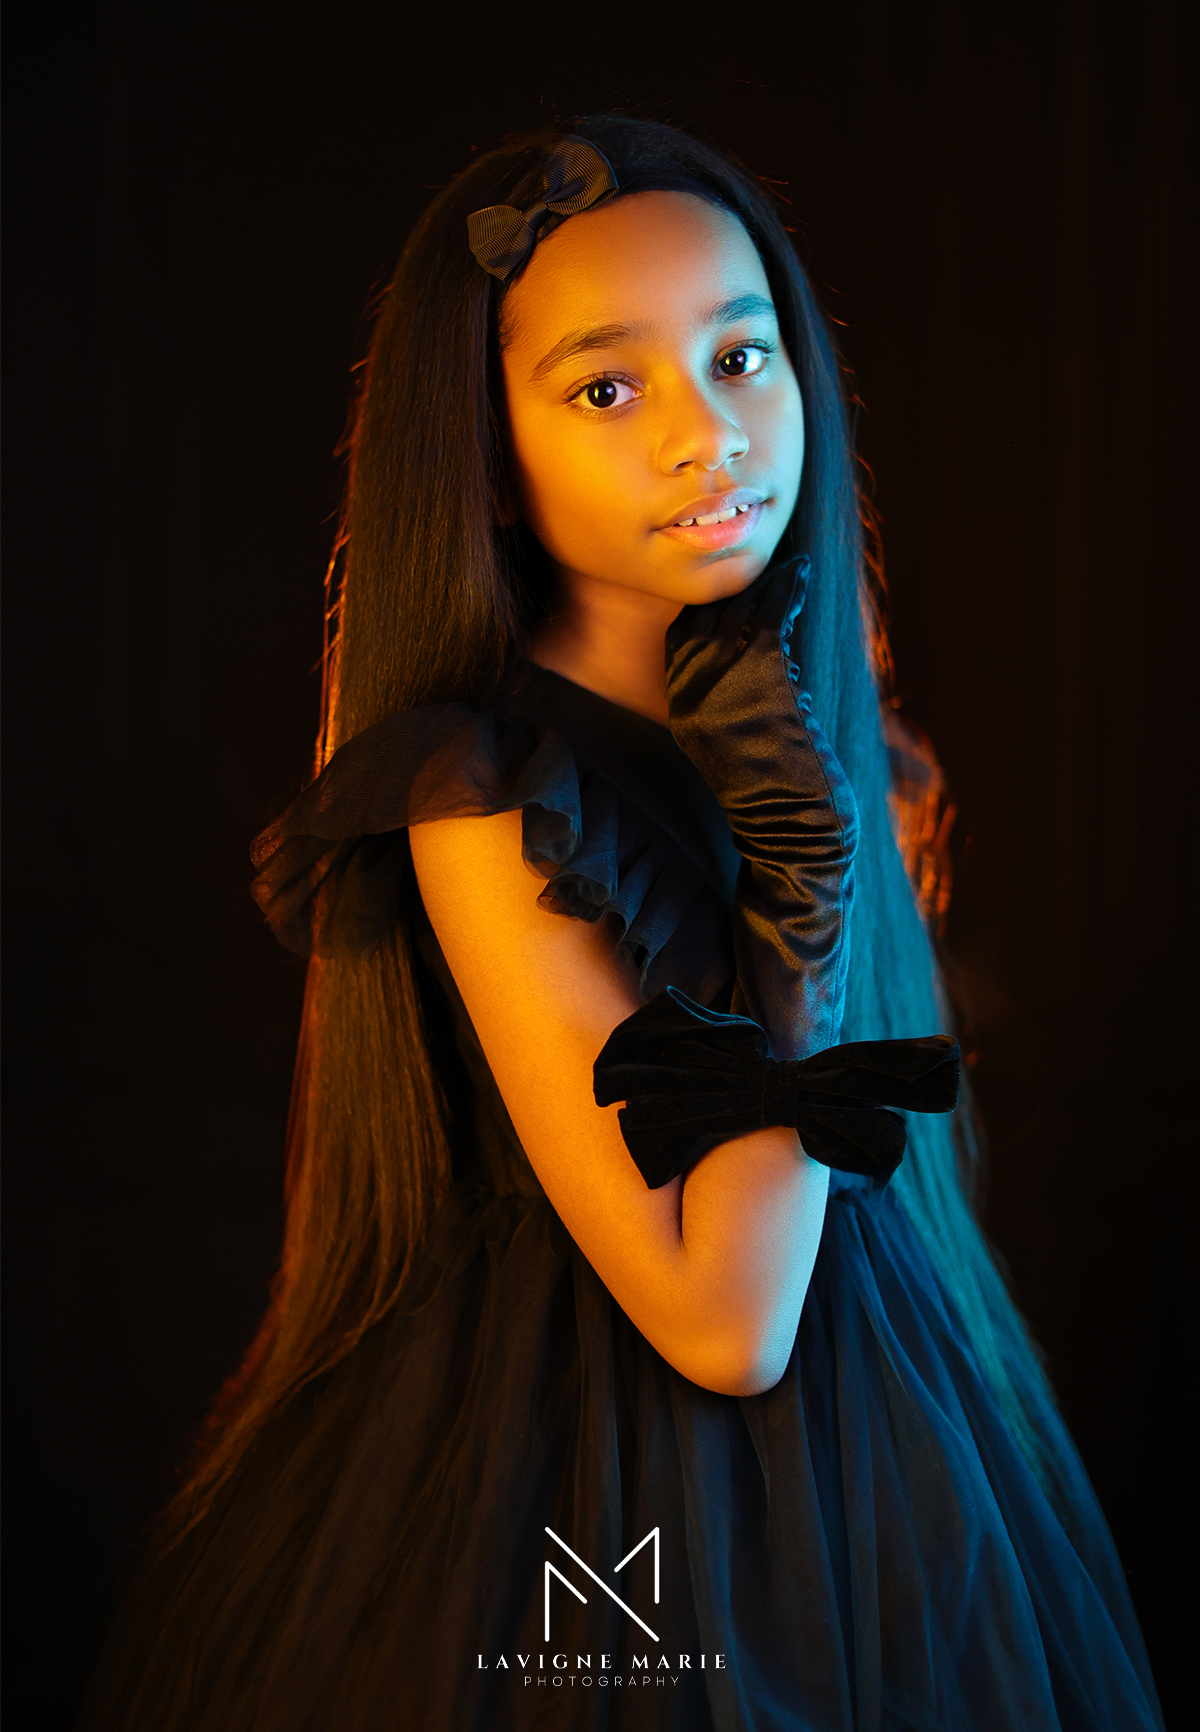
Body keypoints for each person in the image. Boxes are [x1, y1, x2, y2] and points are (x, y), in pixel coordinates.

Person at [79, 115, 1163, 1731]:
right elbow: (725, 1324)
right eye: (607, 386)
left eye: (743, 355)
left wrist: (805, 823)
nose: (707, 434)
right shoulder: (485, 798)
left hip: (906, 1478)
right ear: (490, 465)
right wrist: (786, 892)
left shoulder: (836, 753)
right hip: (579, 1508)